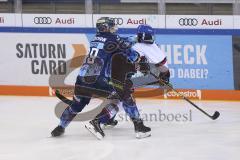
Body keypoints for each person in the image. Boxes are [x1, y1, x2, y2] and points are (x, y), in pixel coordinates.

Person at [51, 17, 136, 138]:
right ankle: (102, 120)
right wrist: (138, 38)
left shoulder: (95, 39)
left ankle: (60, 127)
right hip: (97, 81)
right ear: (105, 28)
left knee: (76, 106)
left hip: (81, 79)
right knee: (119, 97)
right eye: (111, 27)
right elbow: (127, 44)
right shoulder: (112, 38)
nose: (113, 29)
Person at [86, 24, 170, 139]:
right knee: (127, 99)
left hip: (107, 75)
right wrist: (164, 76)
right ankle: (137, 127)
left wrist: (143, 66)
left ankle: (108, 120)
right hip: (117, 76)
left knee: (118, 100)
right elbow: (159, 65)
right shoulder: (143, 46)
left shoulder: (131, 40)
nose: (149, 39)